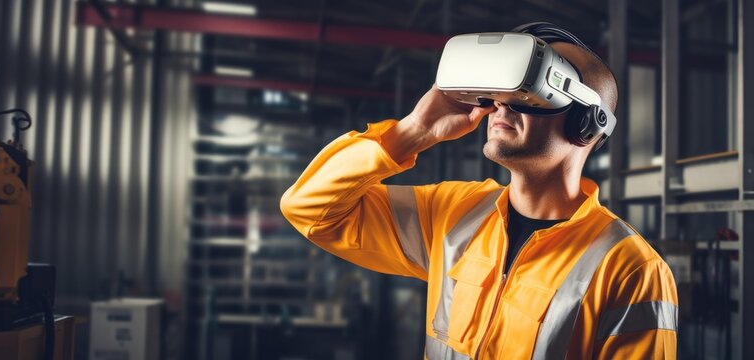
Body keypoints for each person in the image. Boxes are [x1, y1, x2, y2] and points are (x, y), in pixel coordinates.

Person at [280, 23, 677, 359]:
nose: (502, 105)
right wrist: (412, 131)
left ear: (586, 124)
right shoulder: (452, 214)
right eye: (502, 90)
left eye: (532, 91)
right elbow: (308, 208)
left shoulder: (632, 269)